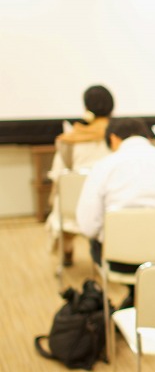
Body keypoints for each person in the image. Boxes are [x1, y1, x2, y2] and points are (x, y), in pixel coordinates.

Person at [76, 118, 155, 308]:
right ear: (146, 136)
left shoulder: (103, 166)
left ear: (113, 139)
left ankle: (134, 299)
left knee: (97, 238)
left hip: (121, 261)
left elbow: (88, 226)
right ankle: (148, 301)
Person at [46, 85, 114, 266]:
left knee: (64, 201)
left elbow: (57, 176)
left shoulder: (69, 140)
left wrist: (53, 198)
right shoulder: (116, 137)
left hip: (72, 207)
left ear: (86, 108)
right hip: (110, 206)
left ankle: (66, 249)